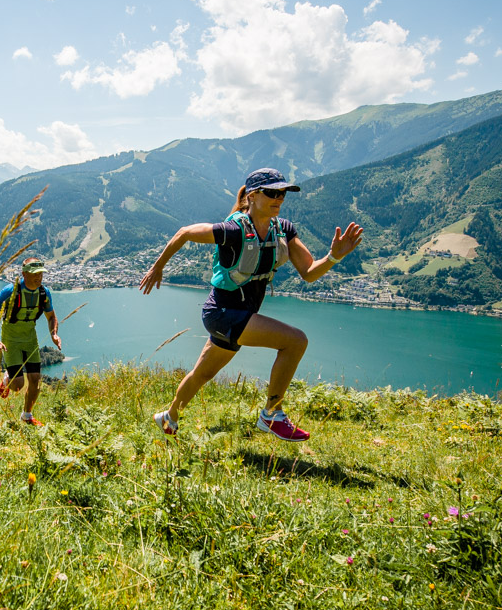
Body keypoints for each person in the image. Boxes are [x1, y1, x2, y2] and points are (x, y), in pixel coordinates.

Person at [139, 168, 363, 441]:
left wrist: (333, 257)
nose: (279, 198)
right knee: (295, 341)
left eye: (282, 193)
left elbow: (309, 273)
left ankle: (168, 417)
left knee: (202, 374)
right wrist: (157, 268)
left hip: (238, 314)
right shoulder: (233, 230)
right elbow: (185, 232)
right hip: (222, 313)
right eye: (272, 193)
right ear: (253, 196)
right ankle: (272, 414)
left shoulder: (283, 230)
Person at [0, 258, 62, 426]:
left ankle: (27, 415)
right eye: (35, 274)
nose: (39, 277)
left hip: (30, 338)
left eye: (41, 273)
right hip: (10, 339)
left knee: (35, 379)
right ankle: (7, 380)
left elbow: (51, 316)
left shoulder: (44, 293)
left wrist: (53, 334)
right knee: (18, 385)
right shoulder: (10, 291)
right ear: (24, 274)